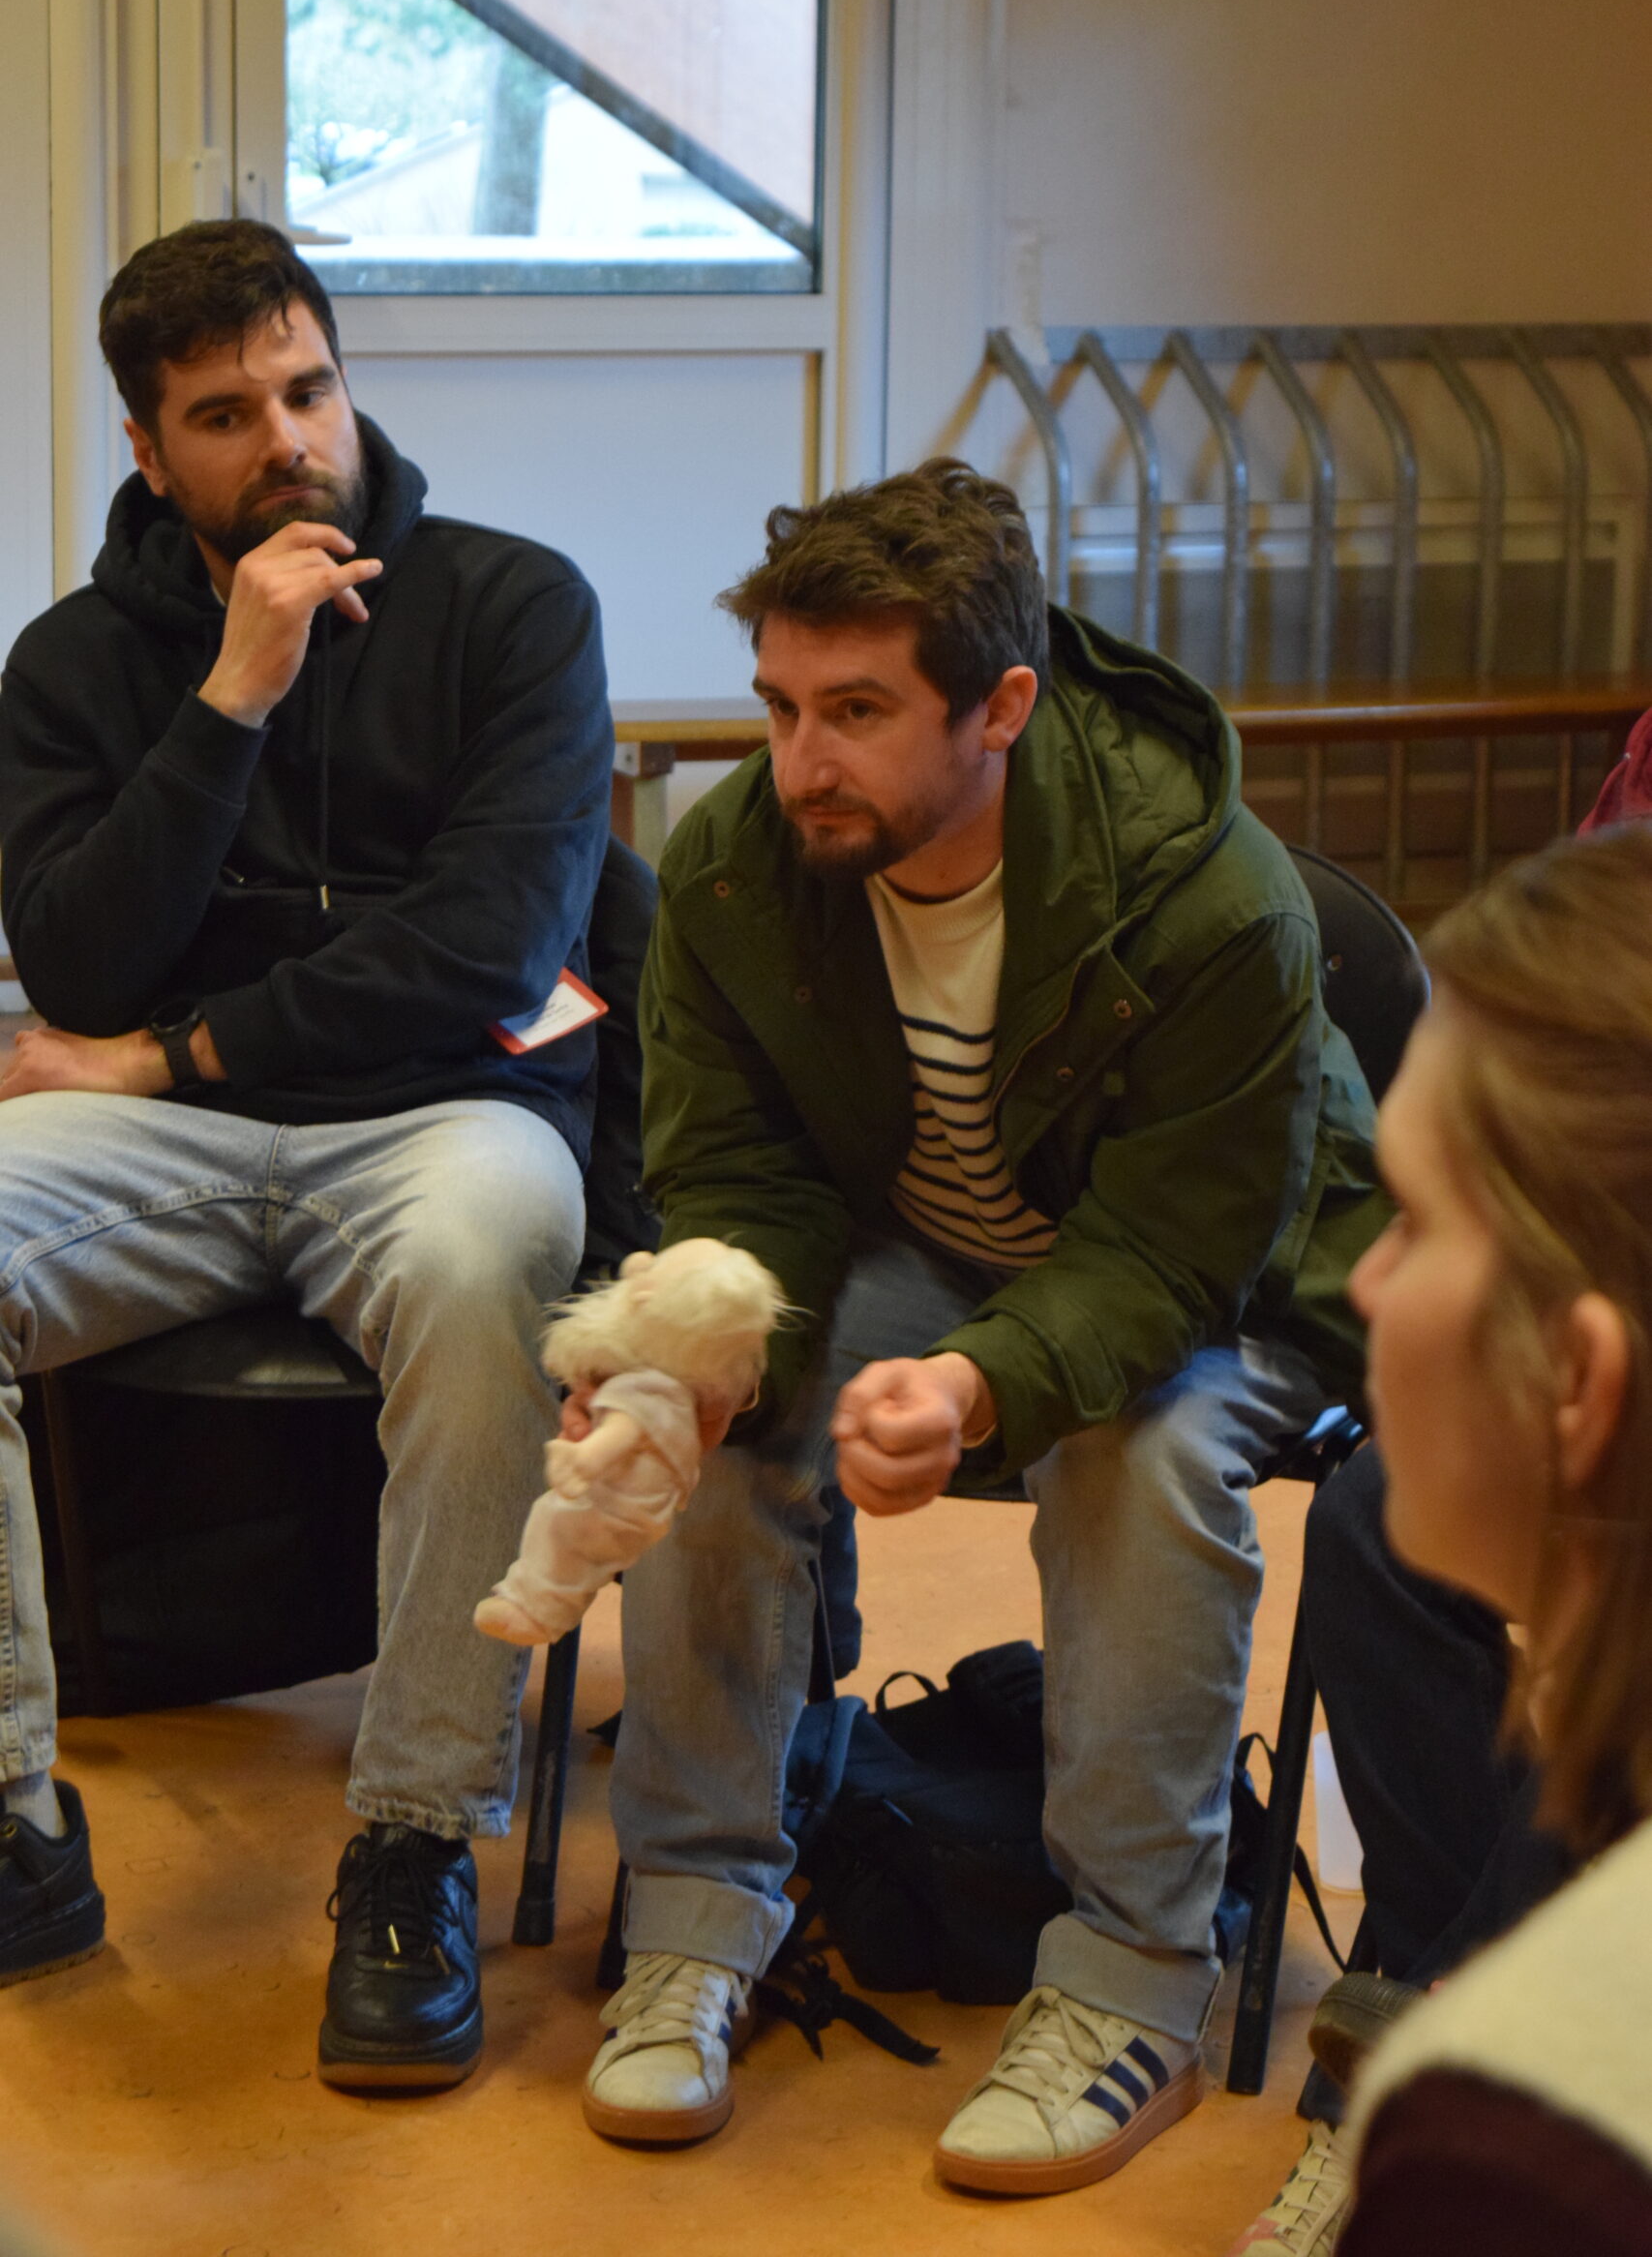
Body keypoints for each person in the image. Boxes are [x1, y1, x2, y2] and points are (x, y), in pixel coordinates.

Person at [581, 459, 1387, 2193]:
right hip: (941, 1250)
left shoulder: (1210, 894)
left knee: (1140, 1454)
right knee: (715, 1406)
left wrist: (978, 1380)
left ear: (1001, 708)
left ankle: (1134, 1981)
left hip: (1233, 1277)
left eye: (858, 711)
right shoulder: (736, 865)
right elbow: (732, 1172)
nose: (801, 761)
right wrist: (708, 1342)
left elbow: (1169, 1258)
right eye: (781, 706)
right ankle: (699, 1918)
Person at [0, 220, 611, 2091]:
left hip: (443, 1117)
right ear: (145, 448)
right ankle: (15, 1817)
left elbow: (490, 952)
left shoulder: (515, 607)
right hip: (166, 1145)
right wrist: (232, 697)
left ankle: (414, 1845)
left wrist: (172, 1049)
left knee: (489, 1266)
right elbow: (75, 959)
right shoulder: (76, 663)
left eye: (307, 388)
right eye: (225, 414)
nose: (285, 440)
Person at [1233, 727, 1652, 2256]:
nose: (1368, 1281)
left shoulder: (1526, 2150)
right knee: (1365, 1523)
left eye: (1410, 1219)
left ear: (1580, 1379)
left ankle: (1413, 1998)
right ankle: (1421, 1965)